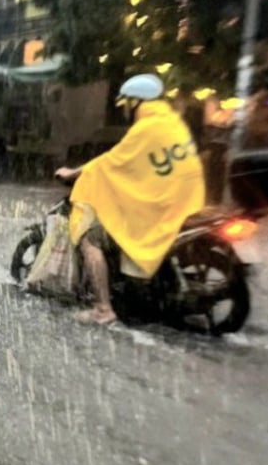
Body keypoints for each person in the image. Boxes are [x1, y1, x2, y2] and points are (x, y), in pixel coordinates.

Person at [55, 74, 206, 325]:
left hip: (160, 207)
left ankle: (103, 309)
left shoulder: (146, 128)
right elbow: (138, 169)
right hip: (185, 202)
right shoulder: (171, 123)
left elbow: (111, 163)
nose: (125, 110)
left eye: (126, 104)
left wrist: (72, 172)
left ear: (136, 102)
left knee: (89, 239)